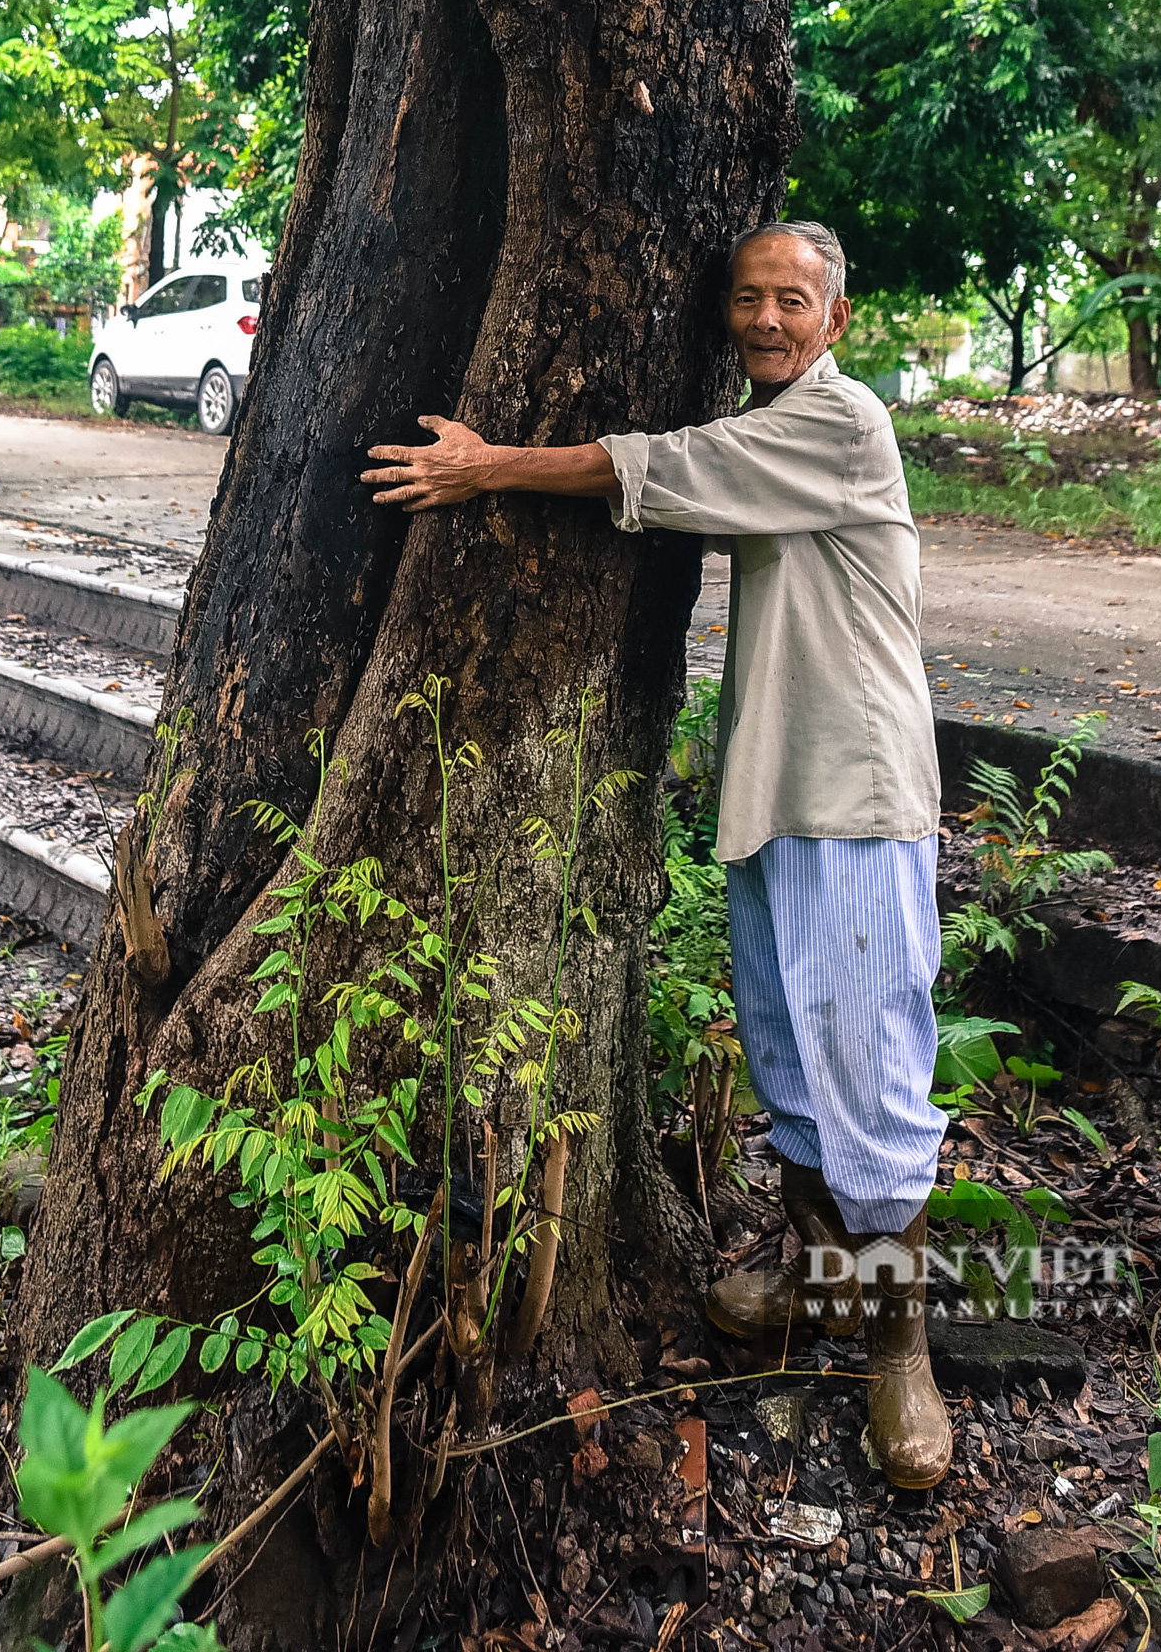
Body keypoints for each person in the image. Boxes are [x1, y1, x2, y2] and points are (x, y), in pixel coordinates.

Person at [362, 220, 951, 1489]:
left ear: (835, 321)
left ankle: (898, 1349)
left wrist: (488, 467)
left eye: (790, 301)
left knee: (873, 1080)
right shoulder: (778, 427)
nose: (764, 321)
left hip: (853, 796)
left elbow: (668, 469)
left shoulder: (838, 425)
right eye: (744, 298)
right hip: (769, 792)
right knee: (792, 1062)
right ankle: (817, 1291)